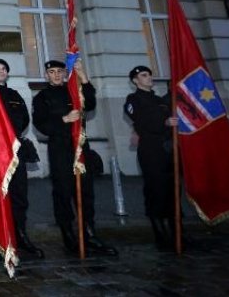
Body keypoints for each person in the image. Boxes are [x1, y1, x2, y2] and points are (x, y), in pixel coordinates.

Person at [32, 59, 117, 257]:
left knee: (86, 191)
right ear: (46, 75)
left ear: (64, 73)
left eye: (59, 71)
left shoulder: (73, 90)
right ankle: (68, 235)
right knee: (63, 191)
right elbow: (41, 124)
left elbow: (91, 102)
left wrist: (83, 77)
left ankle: (89, 233)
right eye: (52, 72)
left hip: (80, 146)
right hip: (60, 148)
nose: (56, 75)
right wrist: (63, 119)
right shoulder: (41, 97)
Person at [0, 58, 44, 259]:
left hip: (15, 148)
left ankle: (20, 234)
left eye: (4, 68)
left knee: (19, 194)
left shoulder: (14, 95)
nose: (1, 71)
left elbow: (24, 119)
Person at [124, 65, 178, 249]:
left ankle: (176, 231)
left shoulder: (160, 100)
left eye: (149, 74)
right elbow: (140, 119)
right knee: (156, 188)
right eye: (144, 75)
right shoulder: (133, 100)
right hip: (150, 148)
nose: (149, 78)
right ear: (135, 81)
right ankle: (160, 233)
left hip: (167, 148)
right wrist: (163, 122)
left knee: (172, 189)